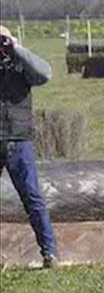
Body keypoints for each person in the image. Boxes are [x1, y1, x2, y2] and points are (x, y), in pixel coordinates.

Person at [0, 24, 58, 269]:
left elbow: (45, 73)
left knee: (33, 198)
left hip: (18, 139)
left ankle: (50, 253)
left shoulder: (21, 64)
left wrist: (15, 48)